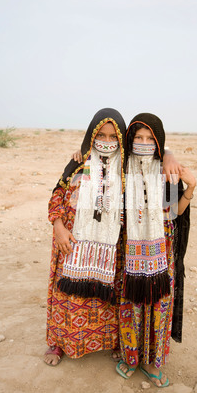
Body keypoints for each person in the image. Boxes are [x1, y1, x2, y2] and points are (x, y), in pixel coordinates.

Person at [116, 113, 196, 387]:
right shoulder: (122, 169)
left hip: (161, 254)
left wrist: (191, 187)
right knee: (131, 307)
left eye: (150, 138)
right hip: (130, 254)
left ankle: (152, 363)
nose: (144, 142)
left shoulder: (166, 172)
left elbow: (174, 212)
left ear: (158, 141)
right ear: (130, 139)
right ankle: (130, 357)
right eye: (138, 137)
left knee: (158, 308)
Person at [44, 108, 127, 366]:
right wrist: (58, 226)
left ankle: (111, 342)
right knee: (67, 297)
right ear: (91, 135)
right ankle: (60, 343)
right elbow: (56, 195)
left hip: (110, 247)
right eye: (101, 134)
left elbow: (160, 151)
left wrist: (170, 155)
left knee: (107, 297)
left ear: (122, 138)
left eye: (114, 136)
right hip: (72, 242)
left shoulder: (127, 168)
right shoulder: (79, 162)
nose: (107, 141)